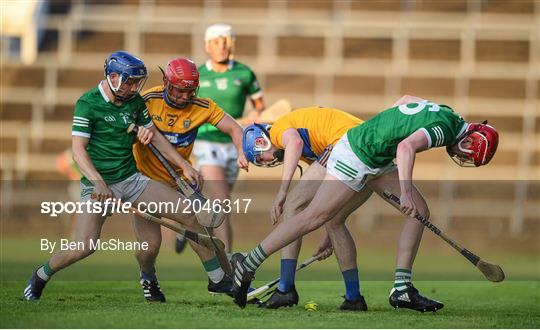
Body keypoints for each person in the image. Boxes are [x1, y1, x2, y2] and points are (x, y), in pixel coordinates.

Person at [231, 95, 499, 311]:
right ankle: (249, 262)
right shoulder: (446, 128)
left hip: (377, 154)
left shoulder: (449, 113)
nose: (462, 158)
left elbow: (404, 100)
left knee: (419, 212)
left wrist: (385, 128)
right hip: (358, 152)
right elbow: (406, 148)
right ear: (469, 139)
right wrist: (405, 191)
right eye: (467, 154)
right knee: (313, 216)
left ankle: (402, 289)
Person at [22, 51, 233, 302]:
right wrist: (99, 183)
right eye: (129, 82)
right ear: (112, 77)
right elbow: (78, 151)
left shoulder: (134, 102)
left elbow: (154, 135)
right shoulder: (88, 103)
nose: (134, 88)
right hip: (97, 184)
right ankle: (41, 275)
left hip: (132, 180)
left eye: (137, 83)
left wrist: (183, 165)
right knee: (84, 246)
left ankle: (218, 280)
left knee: (188, 214)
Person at [132, 57, 247, 296]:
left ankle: (228, 282)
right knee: (150, 247)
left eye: (190, 91)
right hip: (144, 182)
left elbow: (235, 128)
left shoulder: (202, 106)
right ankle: (148, 276)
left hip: (178, 181)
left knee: (200, 227)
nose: (185, 97)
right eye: (179, 90)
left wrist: (241, 151)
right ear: (165, 82)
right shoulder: (145, 102)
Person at [242, 106, 371, 310]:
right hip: (368, 145)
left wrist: (282, 191)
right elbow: (333, 201)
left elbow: (294, 142)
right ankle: (354, 298)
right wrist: (330, 236)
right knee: (335, 221)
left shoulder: (278, 130)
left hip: (345, 142)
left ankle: (285, 289)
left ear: (262, 140)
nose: (265, 163)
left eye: (260, 157)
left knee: (293, 203)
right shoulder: (311, 151)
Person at [175, 23, 264, 254]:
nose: (222, 46)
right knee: (222, 201)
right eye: (216, 41)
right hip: (206, 142)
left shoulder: (244, 73)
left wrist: (253, 117)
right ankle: (228, 264)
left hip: (235, 145)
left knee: (213, 202)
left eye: (225, 41)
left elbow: (259, 107)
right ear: (207, 46)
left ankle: (188, 224)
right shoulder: (198, 75)